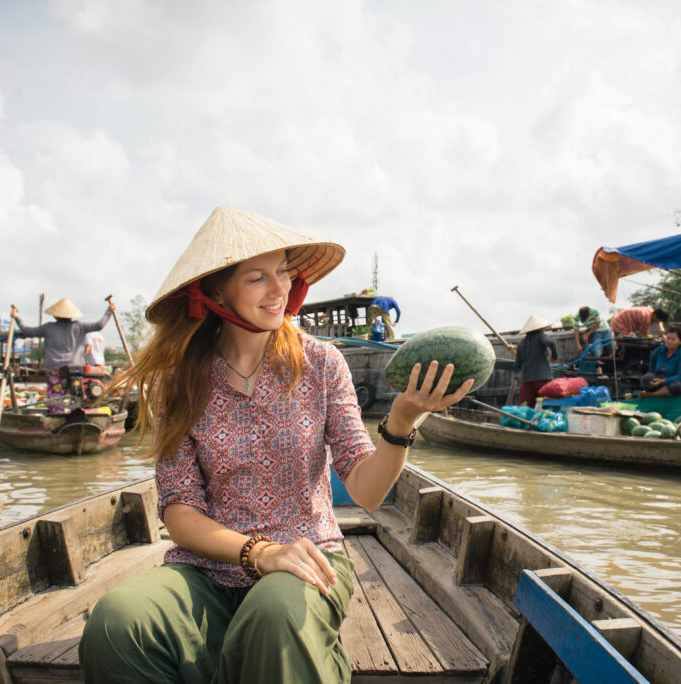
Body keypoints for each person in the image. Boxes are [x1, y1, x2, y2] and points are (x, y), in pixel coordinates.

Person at [78, 205, 473, 683]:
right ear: (217, 290)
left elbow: (367, 492)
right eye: (257, 277)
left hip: (307, 564)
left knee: (275, 611)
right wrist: (258, 553)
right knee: (117, 621)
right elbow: (179, 511)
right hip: (206, 572)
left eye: (284, 273)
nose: (279, 289)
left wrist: (403, 419)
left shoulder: (321, 363)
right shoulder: (179, 381)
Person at [12, 298, 115, 413]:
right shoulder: (79, 326)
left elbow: (27, 331)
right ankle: (77, 414)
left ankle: (58, 416)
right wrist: (109, 311)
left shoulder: (49, 327)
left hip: (54, 369)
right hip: (75, 368)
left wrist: (17, 317)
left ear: (55, 316)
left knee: (56, 396)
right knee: (75, 394)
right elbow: (100, 325)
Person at [513, 315, 557, 406]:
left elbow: (517, 364)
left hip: (526, 382)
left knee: (527, 408)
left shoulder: (521, 344)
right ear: (541, 328)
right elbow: (551, 342)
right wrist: (554, 356)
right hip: (542, 380)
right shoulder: (541, 337)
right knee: (544, 406)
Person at [639, 328, 681, 398]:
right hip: (659, 380)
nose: (669, 341)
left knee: (676, 386)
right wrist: (653, 374)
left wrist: (664, 381)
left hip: (675, 382)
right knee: (646, 378)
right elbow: (652, 359)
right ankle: (657, 393)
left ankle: (650, 395)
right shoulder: (660, 350)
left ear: (679, 342)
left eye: (673, 339)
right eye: (668, 338)